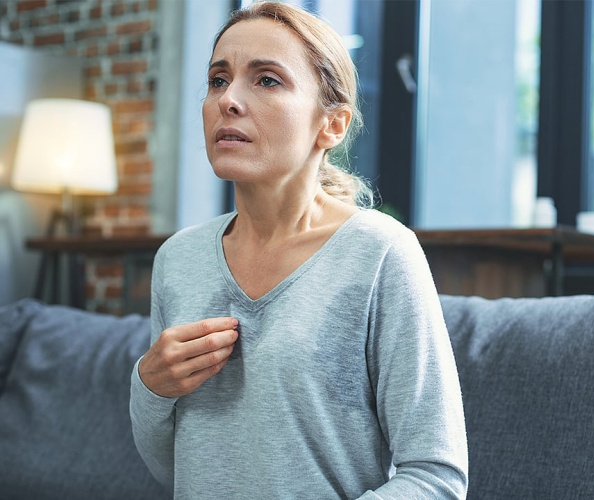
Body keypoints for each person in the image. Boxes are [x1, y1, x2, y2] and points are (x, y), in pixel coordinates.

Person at [129, 2, 468, 498]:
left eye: (266, 80)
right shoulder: (177, 260)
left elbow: (437, 477)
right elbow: (173, 469)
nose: (229, 100)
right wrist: (150, 386)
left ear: (331, 124)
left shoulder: (381, 254)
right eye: (218, 80)